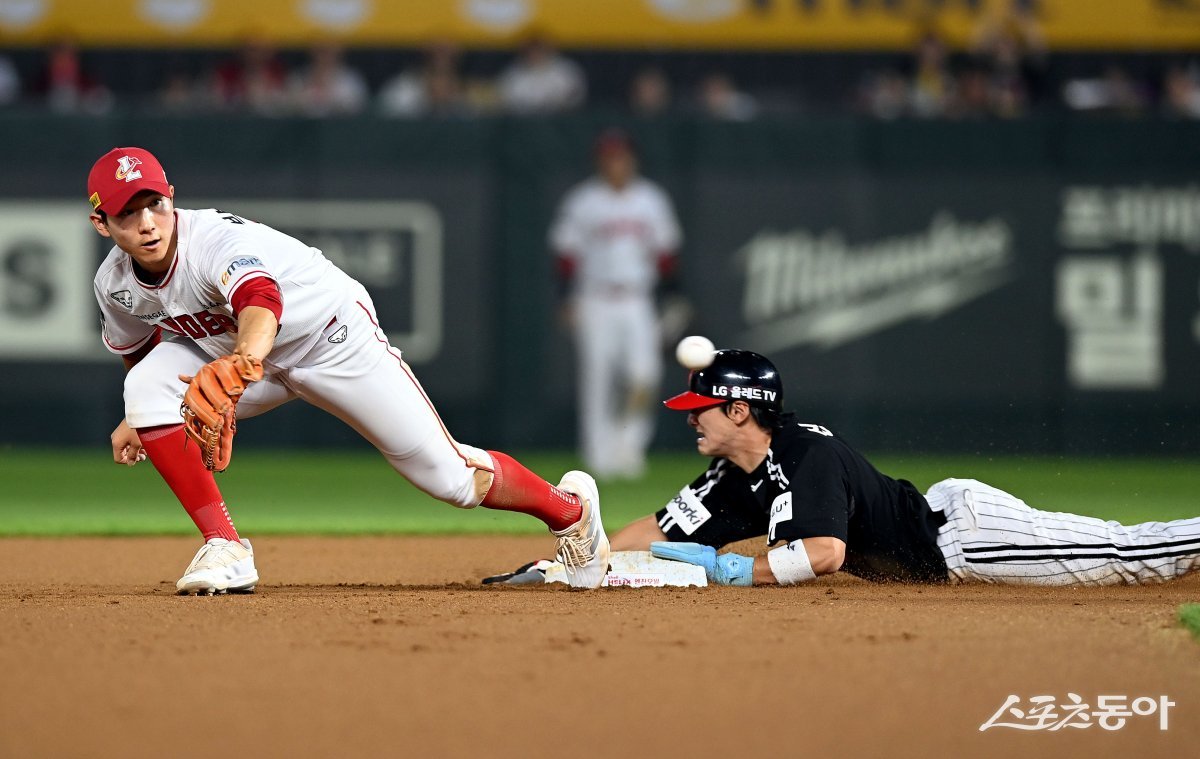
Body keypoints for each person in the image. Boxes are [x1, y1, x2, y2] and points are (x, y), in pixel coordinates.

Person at [87, 146, 610, 594]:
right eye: (127, 213)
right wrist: (145, 414)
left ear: (171, 196)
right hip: (248, 360)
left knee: (452, 480)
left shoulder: (213, 241)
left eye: (154, 203)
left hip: (331, 338)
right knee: (144, 385)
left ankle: (572, 512)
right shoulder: (114, 284)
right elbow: (140, 353)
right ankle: (225, 546)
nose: (147, 222)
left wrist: (242, 362)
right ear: (101, 223)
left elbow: (261, 301)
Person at [490, 348, 1200, 587]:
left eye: (701, 408)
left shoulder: (808, 454)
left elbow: (824, 554)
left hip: (964, 538)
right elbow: (657, 529)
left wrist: (734, 570)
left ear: (739, 411)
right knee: (1121, 554)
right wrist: (579, 559)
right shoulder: (733, 475)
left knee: (1122, 555)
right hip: (937, 541)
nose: (690, 419)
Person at [550, 129, 682, 479]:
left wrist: (672, 297)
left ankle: (629, 447)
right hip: (594, 298)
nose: (616, 163)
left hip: (637, 298)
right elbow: (566, 255)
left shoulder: (651, 200)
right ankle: (598, 454)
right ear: (600, 162)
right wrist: (565, 298)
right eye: (609, 157)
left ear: (632, 160)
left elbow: (666, 254)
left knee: (644, 374)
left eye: (621, 156)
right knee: (598, 378)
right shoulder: (583, 201)